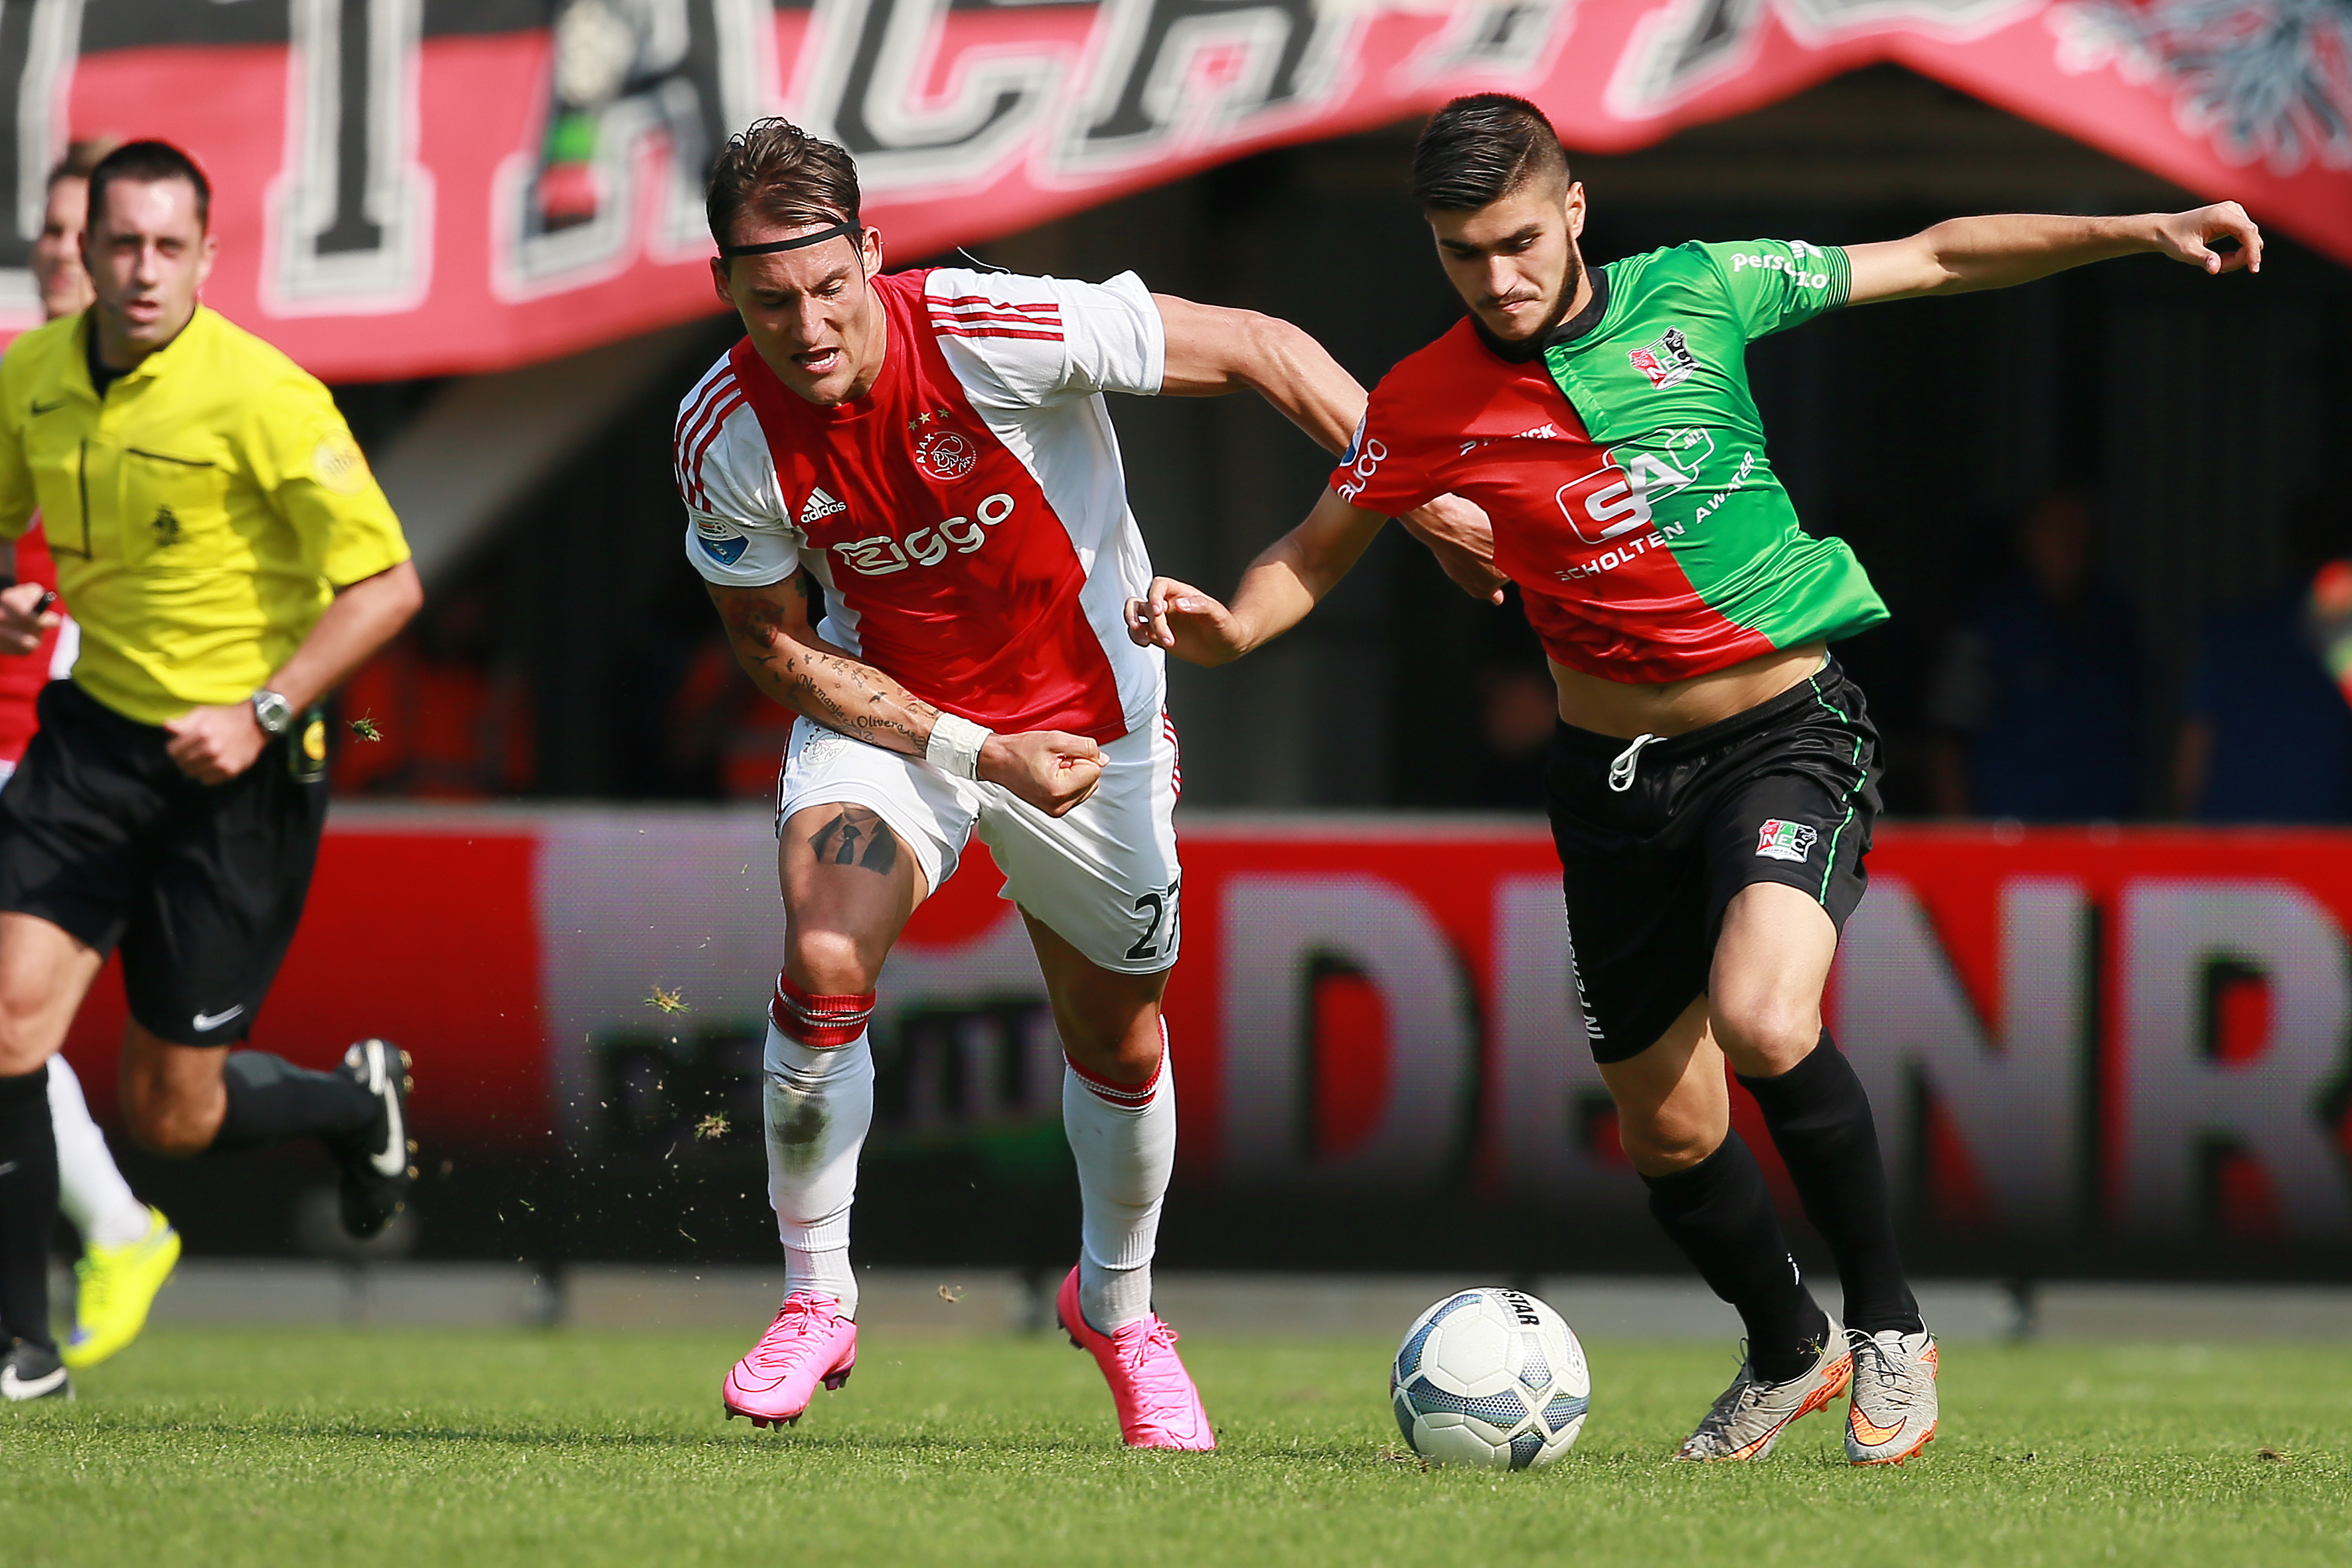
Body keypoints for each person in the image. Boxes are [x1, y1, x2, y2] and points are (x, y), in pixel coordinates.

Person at [1129, 93, 2260, 1466]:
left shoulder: (1700, 293)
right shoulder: (1426, 399)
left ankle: (1891, 1326)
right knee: (1666, 1128)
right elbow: (1315, 547)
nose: (1496, 276)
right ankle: (1788, 1345)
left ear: (1575, 210)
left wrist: (2136, 226)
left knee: (1762, 1013)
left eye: (1517, 240)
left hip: (1781, 729)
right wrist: (1235, 625)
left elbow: (1940, 256)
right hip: (1607, 776)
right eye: (1460, 253)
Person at [675, 118, 1488, 1447]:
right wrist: (967, 748)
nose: (808, 326)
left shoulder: (995, 325)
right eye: (771, 301)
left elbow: (1264, 348)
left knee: (1117, 1040)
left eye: (830, 290)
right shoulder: (723, 432)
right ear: (725, 288)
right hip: (903, 727)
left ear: (870, 255)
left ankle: (1116, 1306)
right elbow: (772, 644)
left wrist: (1432, 498)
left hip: (1095, 734)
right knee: (826, 952)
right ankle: (815, 1299)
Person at [0, 140, 426, 1402]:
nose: (140, 270)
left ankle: (355, 1105)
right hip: (92, 739)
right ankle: (22, 1346)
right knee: (8, 1016)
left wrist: (262, 708)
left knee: (167, 1114)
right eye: (118, 243)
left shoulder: (267, 396)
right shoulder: (29, 376)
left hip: (238, 767)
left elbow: (388, 585)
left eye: (166, 248)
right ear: (81, 250)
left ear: (207, 256)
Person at [0, 137, 185, 1375]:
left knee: (164, 1072)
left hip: (77, 742)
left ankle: (114, 1229)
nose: (71, 254)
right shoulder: (25, 378)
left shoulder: (189, 388)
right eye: (57, 235)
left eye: (91, 233)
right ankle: (104, 1239)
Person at [1925, 488, 2141, 819]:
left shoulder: (2113, 624)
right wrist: (1960, 838)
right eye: (2057, 530)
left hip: (2101, 838)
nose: (2070, 543)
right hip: (2013, 843)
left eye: (2081, 532)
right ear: (2027, 538)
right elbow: (1949, 739)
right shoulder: (1992, 626)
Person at [2174, 499, 2352, 821]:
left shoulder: (2231, 634)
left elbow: (2191, 765)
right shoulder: (2235, 635)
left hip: (2233, 858)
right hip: (2322, 860)